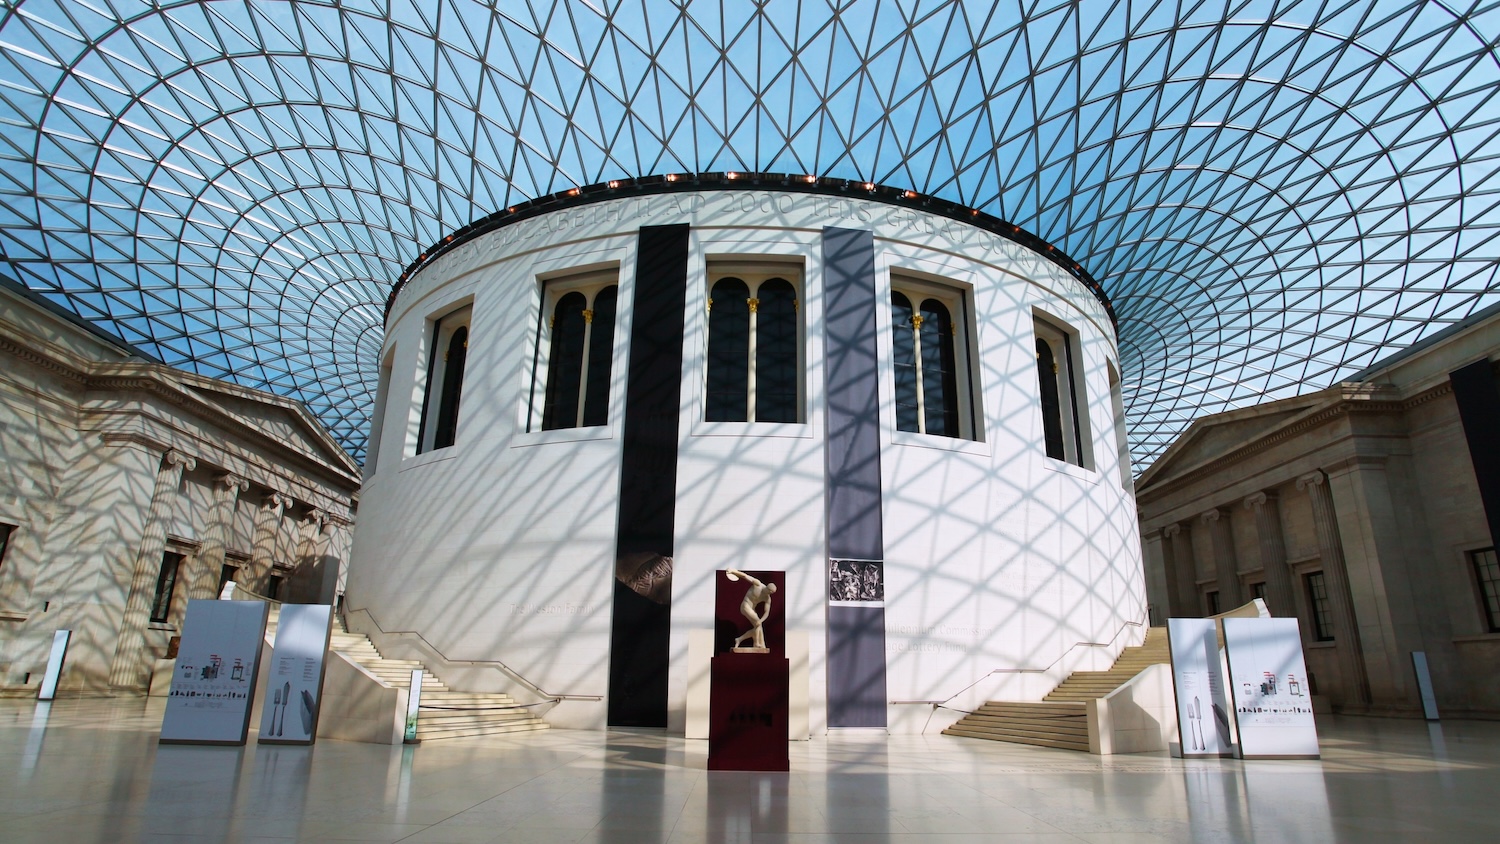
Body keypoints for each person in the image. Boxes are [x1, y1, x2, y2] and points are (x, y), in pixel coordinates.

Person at [726, 569, 776, 650]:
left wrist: (761, 620)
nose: (769, 593)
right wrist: (733, 572)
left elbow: (767, 612)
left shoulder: (767, 598)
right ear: (766, 587)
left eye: (771, 593)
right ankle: (756, 643)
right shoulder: (758, 584)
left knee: (759, 627)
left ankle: (739, 639)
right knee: (757, 624)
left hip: (752, 609)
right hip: (745, 606)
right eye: (769, 591)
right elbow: (744, 576)